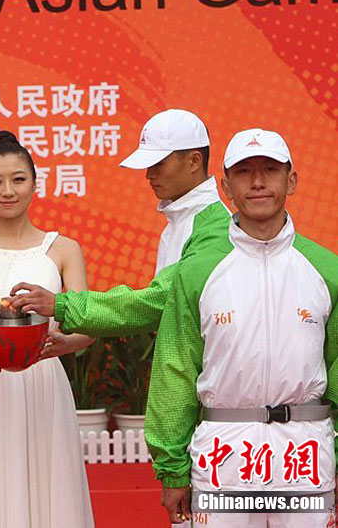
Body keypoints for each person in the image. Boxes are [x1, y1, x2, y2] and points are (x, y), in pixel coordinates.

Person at [145, 128, 338, 527]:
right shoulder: (196, 271)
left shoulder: (326, 269)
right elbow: (175, 369)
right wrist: (173, 470)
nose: (258, 182)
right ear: (225, 186)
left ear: (292, 180)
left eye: (270, 169)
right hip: (224, 452)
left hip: (303, 453)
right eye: (244, 171)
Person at [0, 131, 95, 528]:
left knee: (49, 487)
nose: (7, 191)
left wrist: (59, 344)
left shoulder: (64, 249)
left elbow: (86, 325)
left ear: (35, 183)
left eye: (18, 179)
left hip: (43, 382)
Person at [9, 109, 230, 342]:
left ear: (194, 161)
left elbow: (160, 300)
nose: (149, 175)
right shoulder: (180, 220)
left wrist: (62, 305)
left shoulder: (214, 228)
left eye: (158, 164)